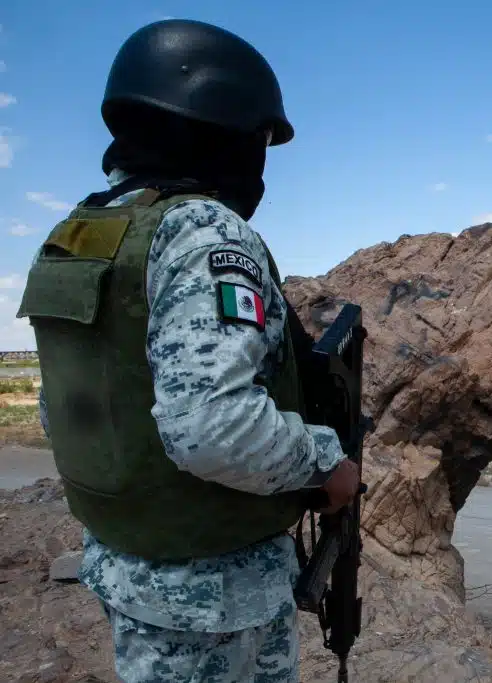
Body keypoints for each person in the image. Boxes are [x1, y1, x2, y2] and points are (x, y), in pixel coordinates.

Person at [19, 18, 359, 682]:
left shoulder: (79, 234)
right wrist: (327, 464)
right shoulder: (202, 233)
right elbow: (212, 428)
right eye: (259, 140)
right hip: (213, 592)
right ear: (221, 126)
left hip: (132, 567)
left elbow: (62, 407)